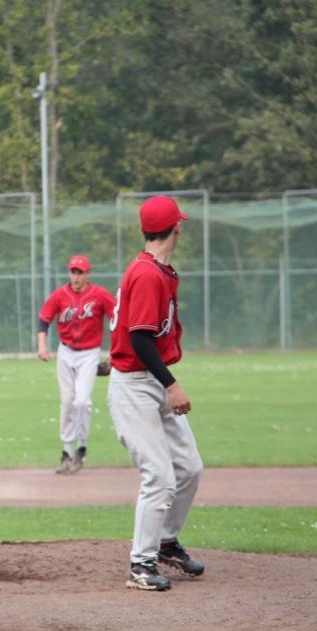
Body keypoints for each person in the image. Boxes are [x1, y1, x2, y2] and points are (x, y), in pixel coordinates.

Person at [107, 195, 204, 592]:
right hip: (136, 385)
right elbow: (140, 338)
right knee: (160, 476)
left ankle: (165, 541)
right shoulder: (147, 274)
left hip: (149, 380)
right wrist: (172, 384)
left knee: (189, 468)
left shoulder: (155, 269)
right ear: (176, 228)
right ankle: (140, 564)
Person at [37, 254, 116, 474]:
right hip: (65, 353)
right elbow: (44, 319)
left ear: (88, 274)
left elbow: (117, 319)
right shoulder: (60, 295)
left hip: (90, 354)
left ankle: (81, 447)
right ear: (69, 273)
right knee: (68, 402)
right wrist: (42, 346)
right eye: (73, 271)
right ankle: (66, 452)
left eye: (81, 272)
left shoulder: (99, 295)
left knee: (82, 401)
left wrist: (115, 355)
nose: (76, 276)